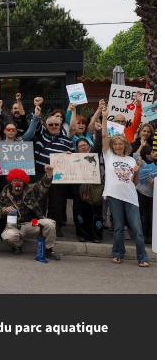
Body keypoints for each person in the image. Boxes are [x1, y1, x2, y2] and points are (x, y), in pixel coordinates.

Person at [100, 107, 149, 267]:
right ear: (112, 146)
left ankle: (142, 257)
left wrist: (136, 171)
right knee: (119, 228)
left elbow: (135, 183)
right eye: (116, 144)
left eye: (121, 144)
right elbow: (104, 135)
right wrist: (105, 117)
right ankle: (117, 253)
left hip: (131, 197)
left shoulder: (131, 160)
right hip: (114, 196)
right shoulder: (108, 156)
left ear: (125, 145)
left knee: (137, 230)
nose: (118, 146)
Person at [22, 99, 74, 237]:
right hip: (41, 172)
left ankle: (55, 227)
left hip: (59, 175)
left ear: (60, 125)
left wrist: (70, 155)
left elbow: (75, 158)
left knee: (57, 202)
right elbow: (34, 125)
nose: (53, 126)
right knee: (39, 201)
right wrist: (36, 110)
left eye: (56, 124)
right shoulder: (41, 135)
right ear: (46, 125)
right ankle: (38, 226)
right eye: (50, 124)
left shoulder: (67, 141)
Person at [0, 167, 60, 259]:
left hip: (32, 224)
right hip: (14, 226)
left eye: (20, 181)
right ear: (11, 182)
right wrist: (5, 210)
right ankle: (17, 245)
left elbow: (43, 185)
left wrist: (48, 175)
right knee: (8, 236)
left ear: (24, 182)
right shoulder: (3, 195)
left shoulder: (31, 190)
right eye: (15, 180)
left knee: (50, 224)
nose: (18, 183)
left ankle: (48, 249)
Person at [73, 137, 104, 243]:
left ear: (89, 146)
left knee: (96, 213)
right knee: (80, 212)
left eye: (84, 145)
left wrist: (99, 132)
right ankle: (82, 234)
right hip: (79, 189)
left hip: (95, 189)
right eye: (80, 146)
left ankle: (96, 235)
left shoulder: (94, 155)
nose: (82, 147)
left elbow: (99, 145)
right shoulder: (73, 158)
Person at [135, 144, 155, 244]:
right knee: (142, 214)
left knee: (151, 215)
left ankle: (151, 236)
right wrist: (142, 145)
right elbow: (136, 155)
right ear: (147, 155)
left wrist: (154, 182)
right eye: (152, 152)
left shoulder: (157, 164)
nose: (155, 153)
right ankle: (143, 235)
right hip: (142, 192)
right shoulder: (142, 163)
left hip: (153, 194)